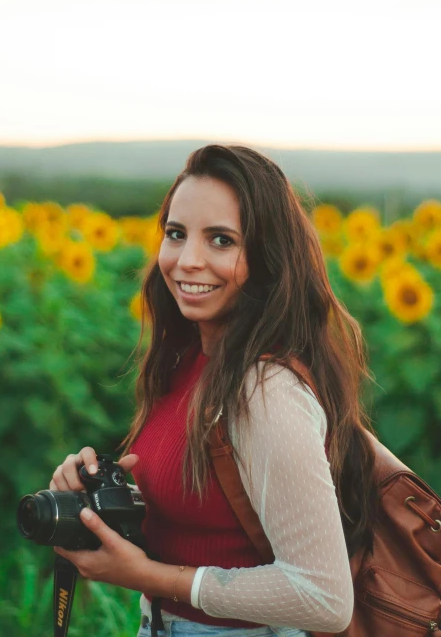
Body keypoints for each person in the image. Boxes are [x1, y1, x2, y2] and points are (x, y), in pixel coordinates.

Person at [51, 144, 379, 637]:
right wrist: (100, 497)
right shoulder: (190, 360)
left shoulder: (265, 390)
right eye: (176, 234)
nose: (187, 260)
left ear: (268, 258)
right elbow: (211, 515)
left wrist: (150, 577)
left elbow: (324, 597)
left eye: (221, 240)